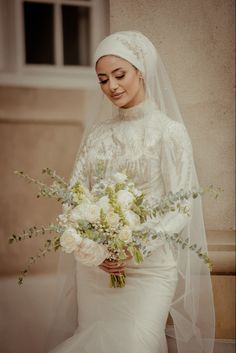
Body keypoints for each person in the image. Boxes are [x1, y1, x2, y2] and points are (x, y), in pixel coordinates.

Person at [46, 31, 215, 353]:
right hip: (98, 270)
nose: (112, 86)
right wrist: (95, 251)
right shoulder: (98, 134)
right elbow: (75, 199)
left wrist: (134, 247)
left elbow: (181, 208)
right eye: (103, 79)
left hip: (149, 269)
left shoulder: (169, 133)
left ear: (142, 71)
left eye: (119, 75)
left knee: (135, 344)